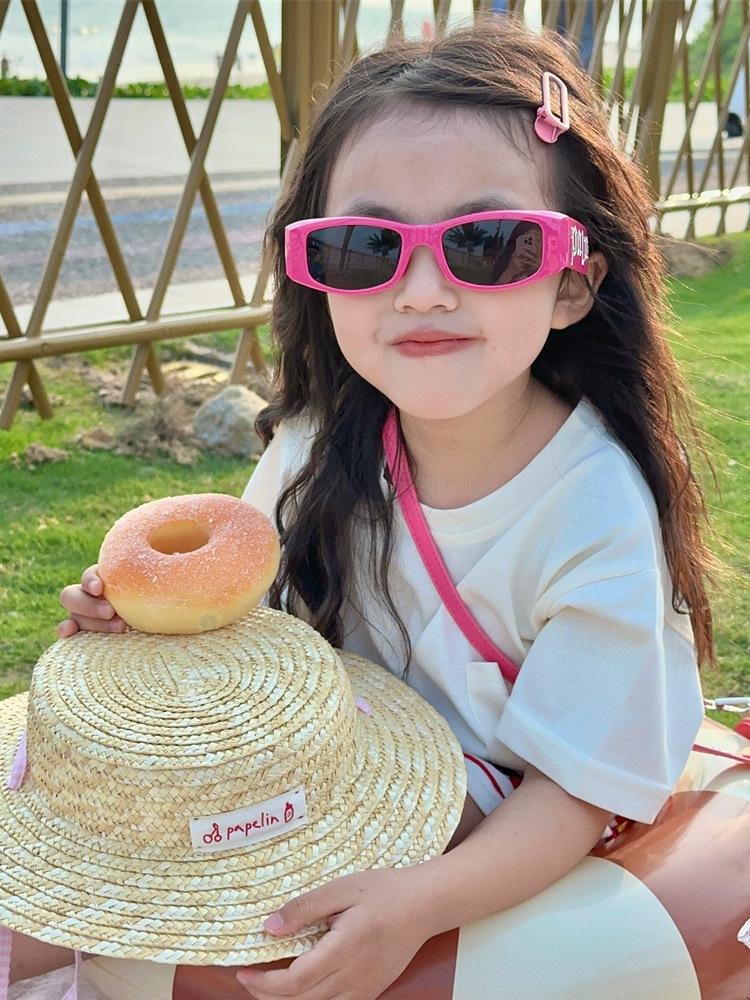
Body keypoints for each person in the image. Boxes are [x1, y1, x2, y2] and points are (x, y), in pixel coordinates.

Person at [58, 17, 714, 1000]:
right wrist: (145, 625)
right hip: (324, 766)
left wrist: (419, 902)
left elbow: (575, 791)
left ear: (574, 283)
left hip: (493, 801)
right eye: (366, 247)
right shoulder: (313, 446)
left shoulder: (596, 508)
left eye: (488, 244)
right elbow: (241, 631)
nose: (422, 290)